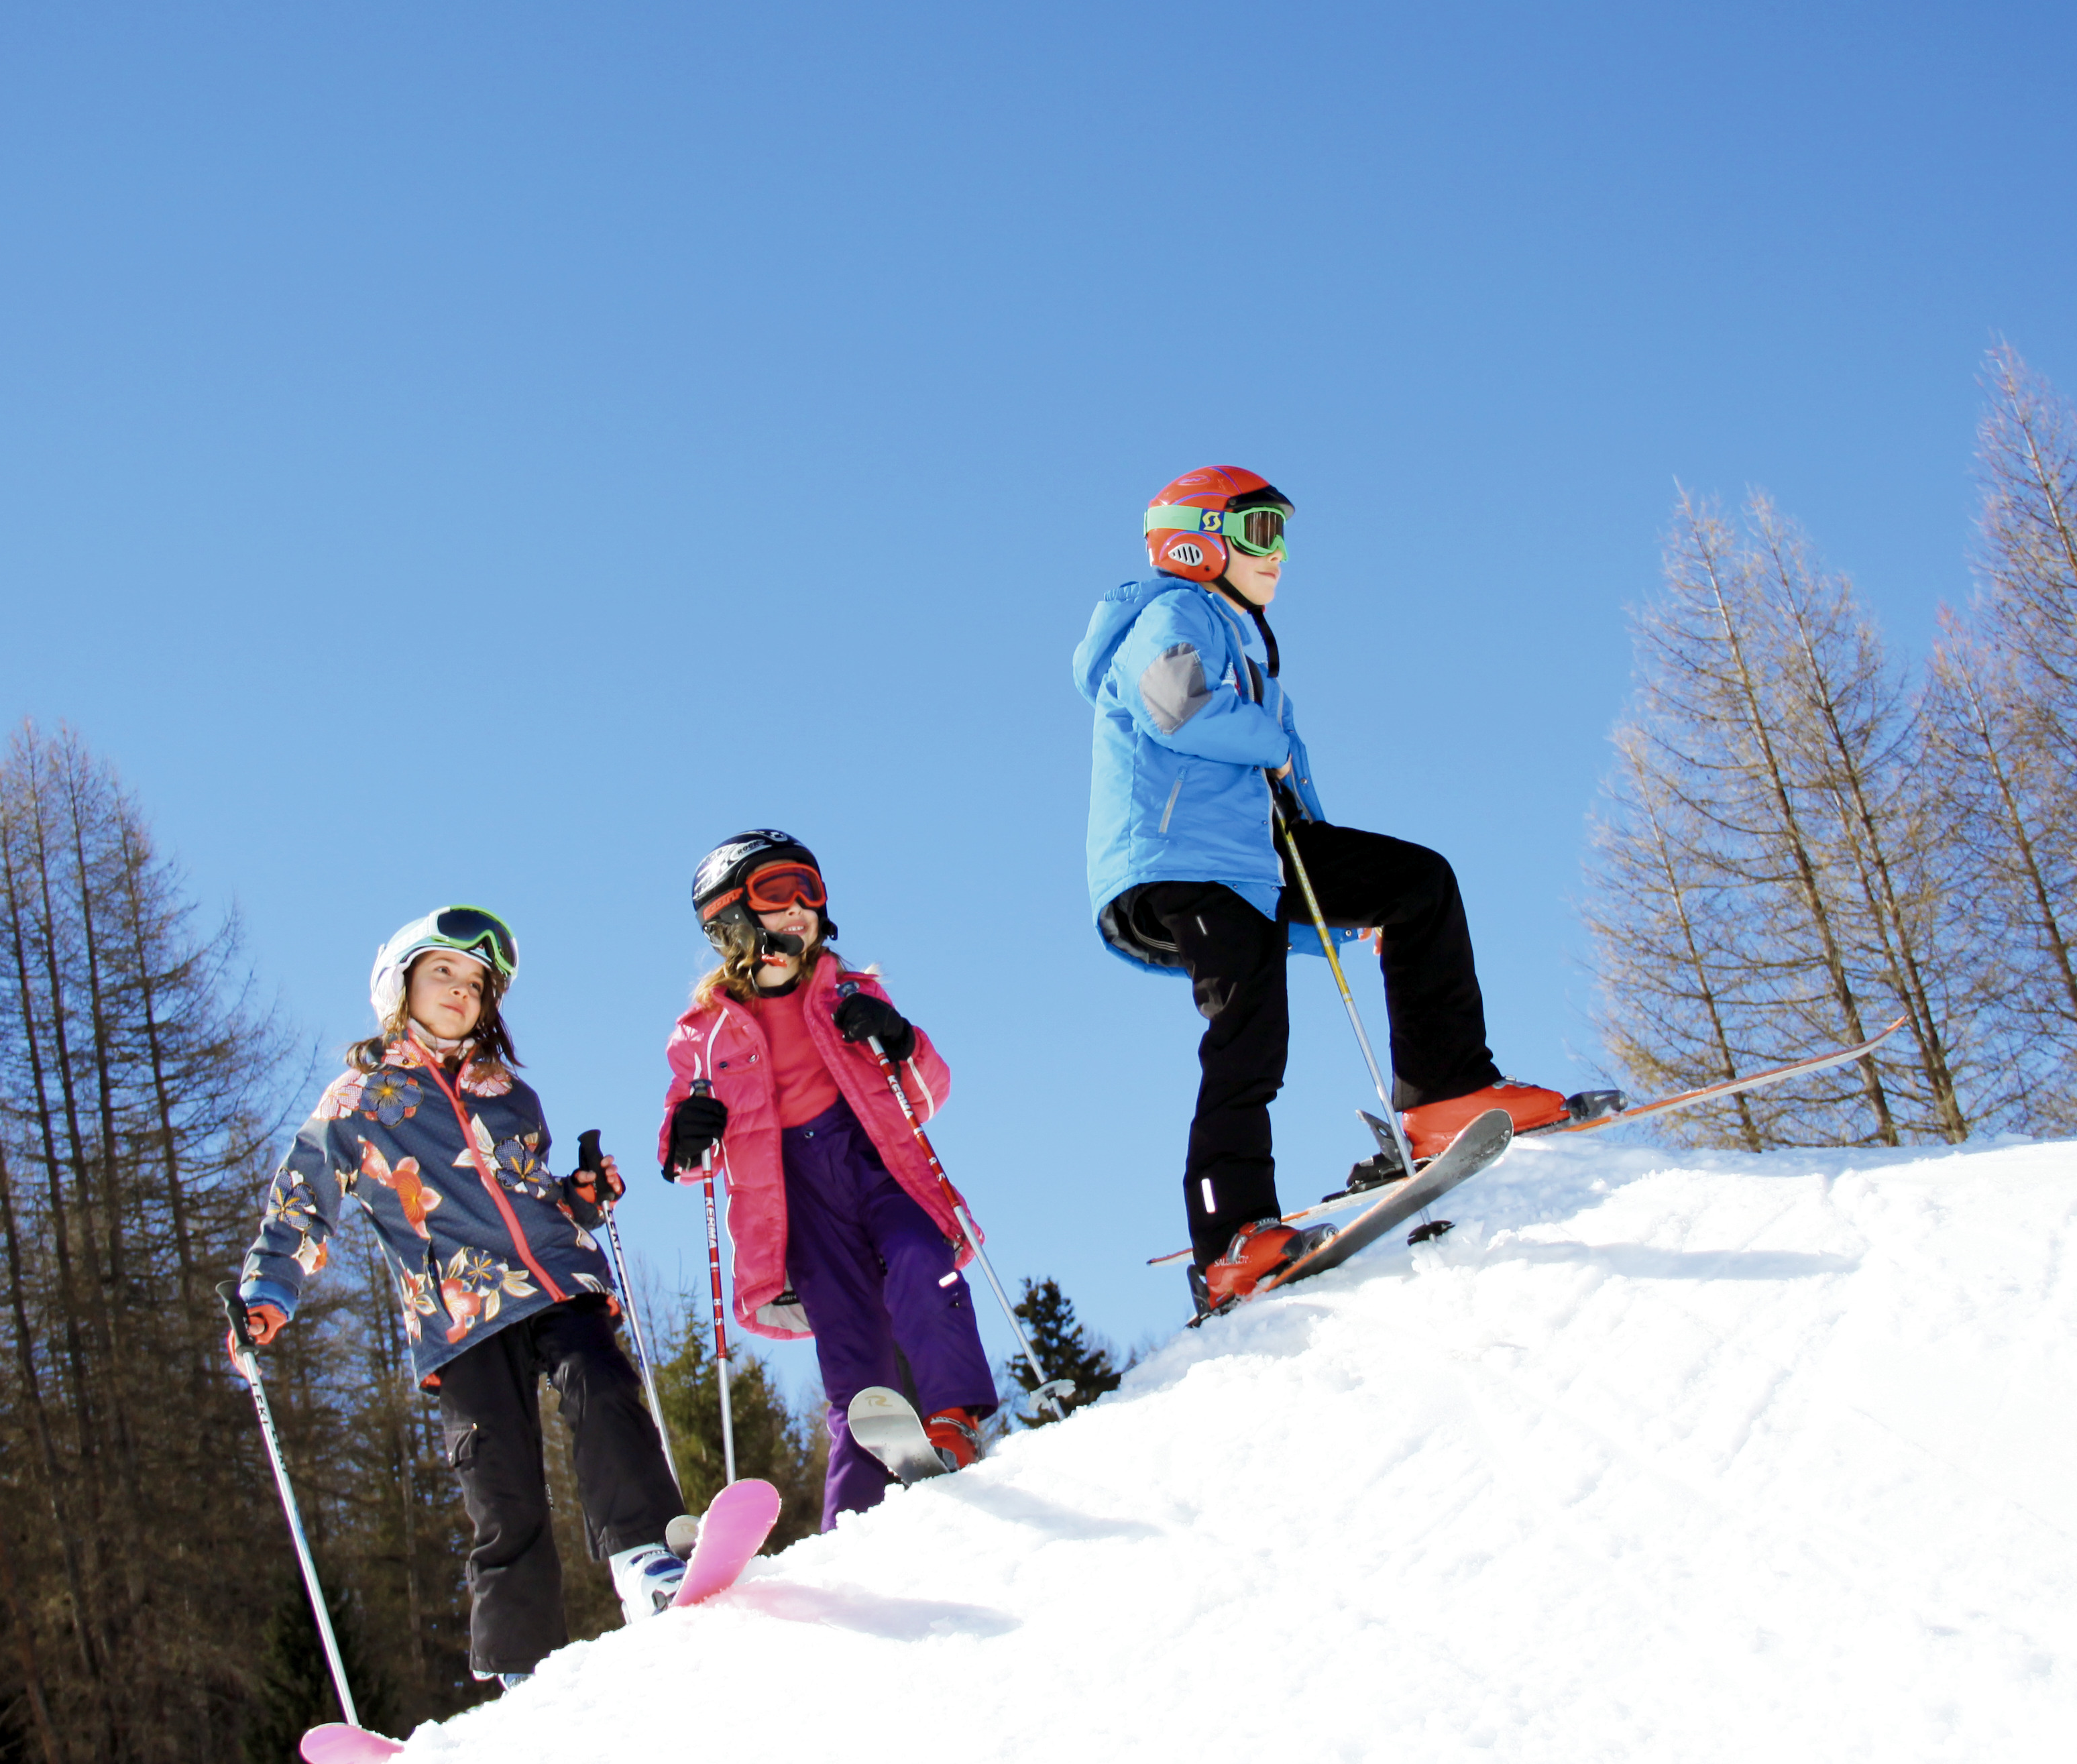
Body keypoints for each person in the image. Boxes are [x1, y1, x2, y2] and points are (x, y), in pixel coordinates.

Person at [1072, 465, 1565, 1309]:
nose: (1280, 554)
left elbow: (1282, 787)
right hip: (1182, 857)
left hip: (1257, 853)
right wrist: (1264, 732)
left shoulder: (1242, 632)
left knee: (1414, 884)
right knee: (1248, 1032)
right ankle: (1232, 1236)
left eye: (1282, 535)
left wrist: (1339, 910)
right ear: (1195, 538)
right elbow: (1172, 702)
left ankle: (1444, 1093)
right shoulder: (1172, 609)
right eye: (1260, 532)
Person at [233, 905, 685, 1694]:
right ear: (398, 985)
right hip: (460, 1313)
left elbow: (531, 1193)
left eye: (476, 982)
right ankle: (520, 1664)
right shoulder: (360, 1100)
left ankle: (646, 1558)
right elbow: (304, 1200)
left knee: (602, 1387)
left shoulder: (509, 1095)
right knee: (500, 1479)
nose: (460, 990)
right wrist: (271, 1289)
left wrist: (579, 1201)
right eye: (442, 971)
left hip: (555, 1283)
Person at [654, 830, 999, 1529]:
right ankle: (855, 1508)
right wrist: (687, 1138)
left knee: (920, 1265)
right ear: (730, 920)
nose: (801, 908)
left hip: (876, 1164)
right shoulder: (706, 1032)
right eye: (779, 894)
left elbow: (925, 1094)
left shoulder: (848, 990)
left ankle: (952, 1418)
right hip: (795, 1196)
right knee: (850, 1345)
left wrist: (897, 1039)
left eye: (810, 891)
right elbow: (690, 1157)